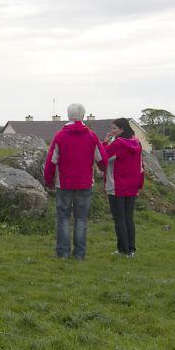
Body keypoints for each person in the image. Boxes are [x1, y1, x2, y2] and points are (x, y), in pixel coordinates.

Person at [43, 103, 108, 260]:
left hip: (63, 182)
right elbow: (102, 160)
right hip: (85, 182)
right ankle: (79, 254)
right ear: (83, 116)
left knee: (63, 217)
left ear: (68, 115)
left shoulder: (60, 136)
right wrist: (102, 169)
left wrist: (49, 180)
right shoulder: (91, 136)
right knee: (81, 219)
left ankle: (63, 253)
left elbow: (51, 161)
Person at [103, 118, 144, 257]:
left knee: (119, 218)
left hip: (117, 185)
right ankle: (131, 249)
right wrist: (139, 184)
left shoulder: (119, 143)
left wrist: (105, 141)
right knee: (128, 218)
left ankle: (123, 250)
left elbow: (103, 157)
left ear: (122, 129)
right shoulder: (137, 143)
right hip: (132, 185)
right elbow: (141, 166)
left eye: (114, 128)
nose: (112, 131)